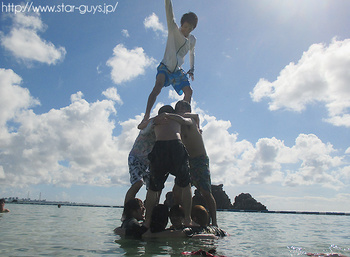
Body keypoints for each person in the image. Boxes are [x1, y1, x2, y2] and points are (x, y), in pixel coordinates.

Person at [140, 0, 198, 124]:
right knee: (158, 86)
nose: (187, 30)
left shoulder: (192, 40)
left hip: (177, 70)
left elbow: (192, 53)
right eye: (185, 26)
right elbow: (169, 13)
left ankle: (184, 116)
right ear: (182, 24)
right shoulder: (173, 29)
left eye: (190, 28)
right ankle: (146, 116)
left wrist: (192, 69)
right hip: (165, 67)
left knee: (189, 91)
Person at [144, 105, 193, 228]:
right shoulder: (176, 118)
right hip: (175, 146)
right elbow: (187, 121)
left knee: (153, 188)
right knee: (186, 185)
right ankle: (187, 219)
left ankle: (147, 220)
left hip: (159, 148)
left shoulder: (156, 120)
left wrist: (158, 118)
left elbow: (142, 126)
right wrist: (173, 116)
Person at [171, 100, 218, 226]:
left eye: (183, 108)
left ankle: (215, 223)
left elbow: (196, 116)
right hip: (185, 161)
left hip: (199, 159)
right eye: (178, 109)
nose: (181, 111)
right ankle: (180, 219)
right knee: (176, 192)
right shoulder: (176, 124)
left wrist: (185, 117)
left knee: (206, 191)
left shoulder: (191, 119)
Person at [123, 119, 156, 206]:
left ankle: (148, 214)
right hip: (136, 158)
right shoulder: (152, 124)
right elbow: (140, 127)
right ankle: (126, 213)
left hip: (148, 163)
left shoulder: (166, 132)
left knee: (153, 188)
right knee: (138, 183)